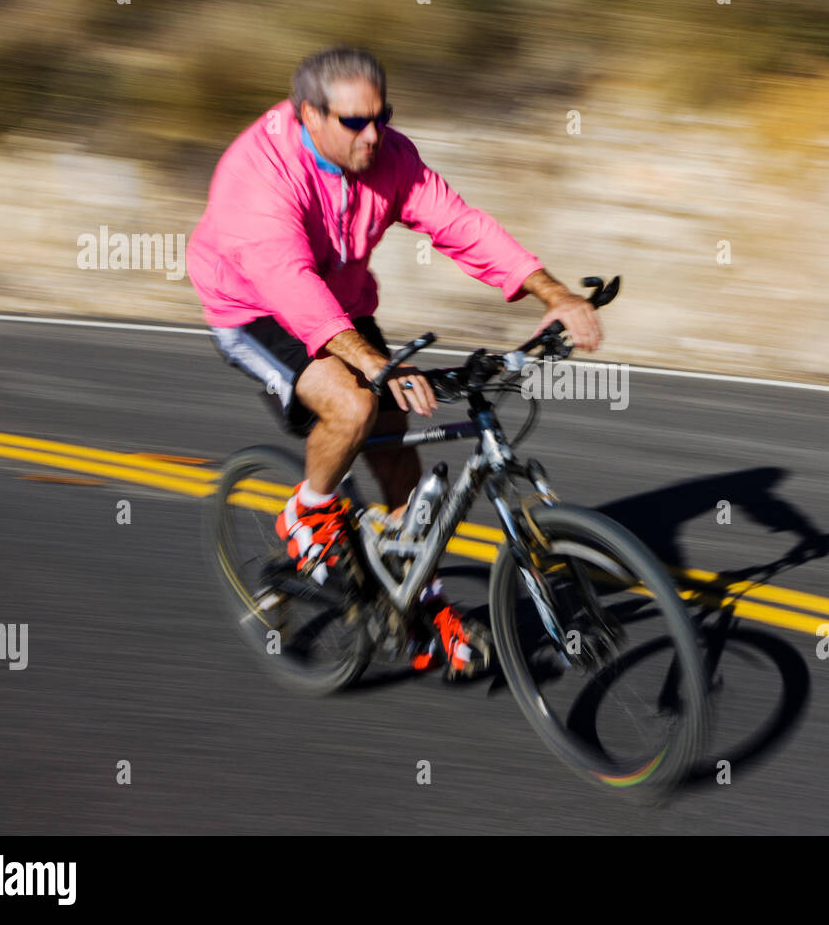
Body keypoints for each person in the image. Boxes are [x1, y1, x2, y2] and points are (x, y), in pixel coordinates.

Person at [186, 46, 601, 679]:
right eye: (355, 122)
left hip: (343, 300)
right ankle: (308, 509)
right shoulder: (260, 176)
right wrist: (374, 366)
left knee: (393, 438)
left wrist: (555, 293)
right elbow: (294, 288)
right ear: (308, 116)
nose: (374, 135)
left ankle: (417, 592)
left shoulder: (388, 156)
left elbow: (460, 225)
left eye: (382, 116)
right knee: (353, 403)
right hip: (256, 306)